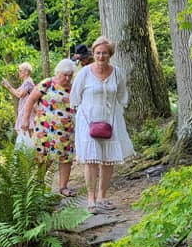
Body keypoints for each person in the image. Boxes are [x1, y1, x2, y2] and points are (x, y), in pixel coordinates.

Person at [70, 36, 134, 213]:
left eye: (104, 53)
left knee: (107, 161)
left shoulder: (117, 73)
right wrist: (83, 115)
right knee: (91, 160)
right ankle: (90, 199)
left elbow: (122, 96)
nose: (101, 56)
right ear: (93, 53)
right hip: (88, 121)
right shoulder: (84, 73)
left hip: (111, 121)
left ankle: (102, 197)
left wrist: (116, 110)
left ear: (110, 54)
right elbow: (75, 97)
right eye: (98, 53)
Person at [22, 59, 78, 196]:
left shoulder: (74, 87)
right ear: (58, 73)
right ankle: (38, 184)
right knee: (42, 156)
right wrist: (25, 120)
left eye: (70, 75)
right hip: (44, 128)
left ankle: (63, 187)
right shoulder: (48, 83)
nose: (68, 78)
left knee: (65, 157)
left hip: (66, 129)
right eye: (65, 75)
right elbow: (30, 101)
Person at [1, 63, 36, 147]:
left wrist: (9, 86)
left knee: (27, 131)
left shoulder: (28, 82)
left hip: (27, 111)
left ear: (26, 72)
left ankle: (29, 150)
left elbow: (19, 94)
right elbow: (16, 92)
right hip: (23, 110)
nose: (19, 73)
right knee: (23, 131)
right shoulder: (25, 82)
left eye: (20, 71)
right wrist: (7, 86)